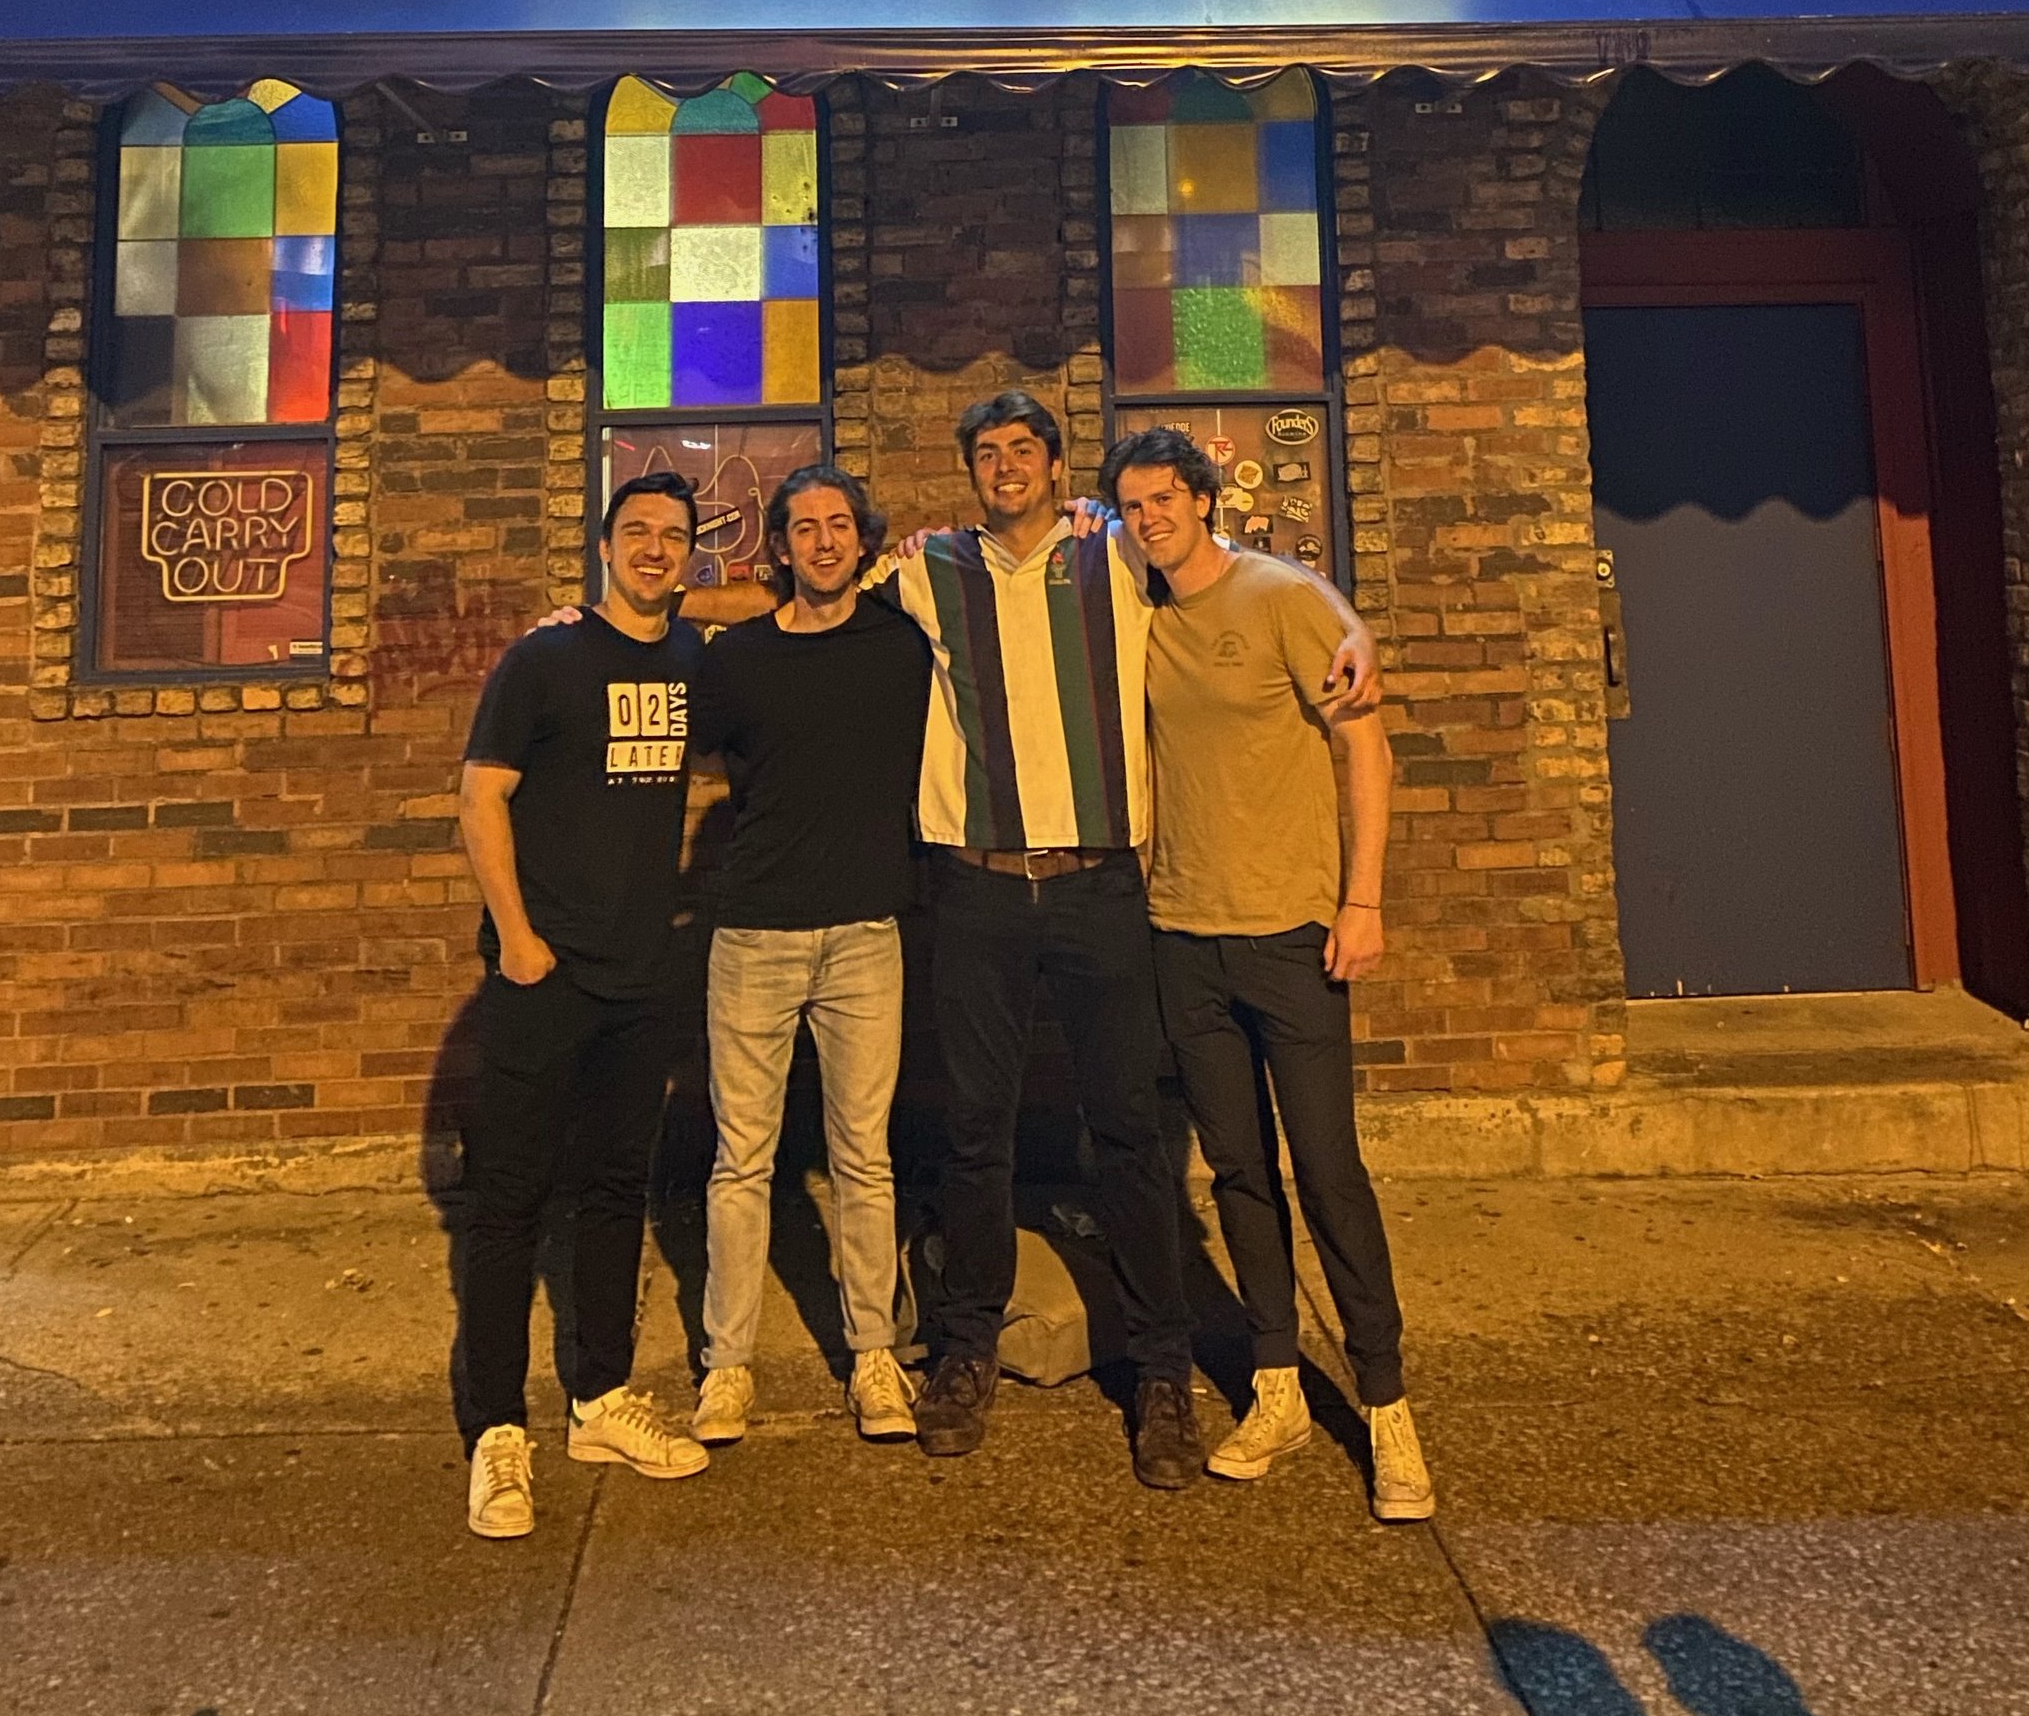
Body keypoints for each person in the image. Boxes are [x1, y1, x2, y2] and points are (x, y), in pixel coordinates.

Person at [889, 389, 1378, 1489]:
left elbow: (1256, 573)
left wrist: (1354, 626)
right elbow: (807, 589)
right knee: (974, 1128)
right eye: (986, 452)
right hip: (974, 885)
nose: (1005, 465)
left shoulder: (1115, 549)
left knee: (1128, 1130)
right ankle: (965, 1347)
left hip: (1100, 885)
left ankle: (1161, 1369)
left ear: (1055, 466)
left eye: (1023, 448)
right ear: (970, 471)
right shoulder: (931, 568)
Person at [1105, 424, 1434, 1524]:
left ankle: (1385, 1406)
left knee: (1329, 1172)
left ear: (1204, 498)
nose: (1148, 518)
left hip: (1292, 932)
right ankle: (1278, 1383)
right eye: (1131, 505)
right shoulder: (1139, 606)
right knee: (1238, 1174)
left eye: (1163, 498)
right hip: (1182, 931)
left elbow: (1365, 745)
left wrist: (1363, 900)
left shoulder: (1280, 596)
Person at [451, 470, 714, 1540]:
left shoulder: (693, 657)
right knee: (508, 1201)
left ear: (691, 556)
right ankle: (495, 1428)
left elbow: (771, 607)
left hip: (640, 979)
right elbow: (480, 794)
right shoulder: (545, 658)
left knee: (614, 1191)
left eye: (674, 536)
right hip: (543, 975)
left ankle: (600, 1397)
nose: (654, 548)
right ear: (604, 545)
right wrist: (517, 940)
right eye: (636, 531)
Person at [683, 462, 933, 1450]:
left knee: (863, 1157)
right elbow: (694, 744)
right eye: (803, 527)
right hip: (753, 932)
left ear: (862, 541)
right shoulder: (738, 658)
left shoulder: (904, 645)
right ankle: (726, 1364)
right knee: (741, 1160)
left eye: (839, 525)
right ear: (779, 547)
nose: (823, 541)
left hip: (867, 932)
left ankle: (872, 1355)